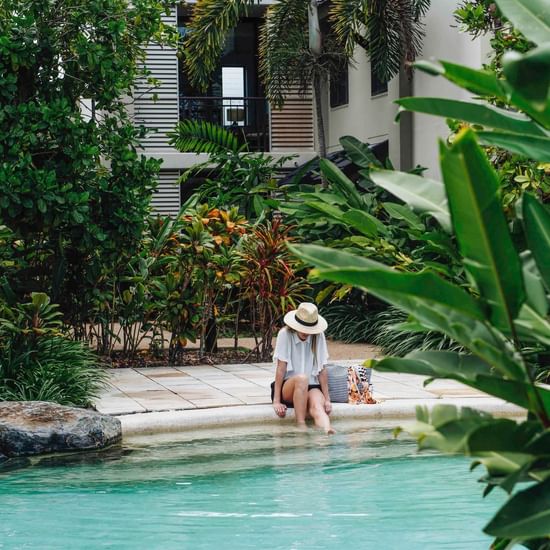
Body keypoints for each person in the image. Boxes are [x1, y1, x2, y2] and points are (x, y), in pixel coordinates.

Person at [271, 302, 335, 434]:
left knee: (318, 407)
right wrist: (276, 401)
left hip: (312, 386)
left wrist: (327, 399)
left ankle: (327, 432)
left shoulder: (318, 336)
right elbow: (281, 369)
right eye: (303, 328)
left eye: (309, 329)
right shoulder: (285, 334)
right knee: (302, 379)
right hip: (289, 387)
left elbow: (322, 368)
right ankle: (301, 425)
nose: (306, 332)